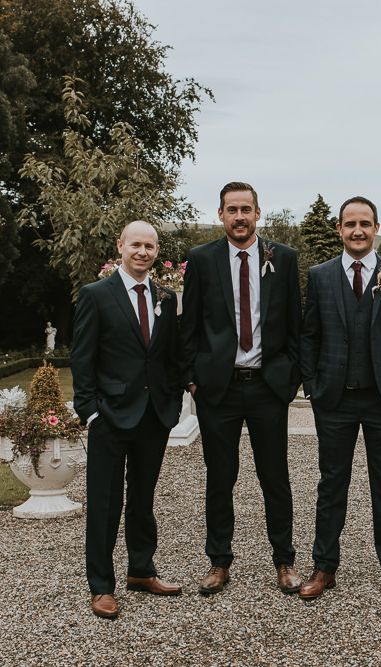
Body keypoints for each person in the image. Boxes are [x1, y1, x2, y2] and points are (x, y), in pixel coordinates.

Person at [179, 182, 302, 595]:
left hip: (268, 387)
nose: (239, 217)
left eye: (246, 209)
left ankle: (284, 560)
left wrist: (290, 380)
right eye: (232, 210)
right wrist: (193, 379)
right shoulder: (201, 259)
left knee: (275, 476)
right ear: (220, 215)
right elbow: (190, 326)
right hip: (219, 389)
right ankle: (218, 562)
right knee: (220, 477)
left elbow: (295, 324)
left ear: (258, 213)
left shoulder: (282, 259)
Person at [299, 196, 381, 601]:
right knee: (331, 485)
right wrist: (312, 386)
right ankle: (323, 567)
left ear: (376, 227)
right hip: (334, 400)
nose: (357, 230)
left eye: (365, 223)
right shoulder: (320, 275)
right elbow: (310, 334)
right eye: (350, 223)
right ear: (339, 229)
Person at [72, 220, 183, 620]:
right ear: (121, 246)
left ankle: (141, 569)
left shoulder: (166, 298)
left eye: (149, 246)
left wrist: (170, 401)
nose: (142, 252)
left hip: (153, 417)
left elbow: (167, 355)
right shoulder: (96, 295)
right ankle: (101, 586)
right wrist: (90, 412)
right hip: (110, 416)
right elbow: (82, 358)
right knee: (104, 503)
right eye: (135, 244)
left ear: (156, 251)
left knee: (143, 498)